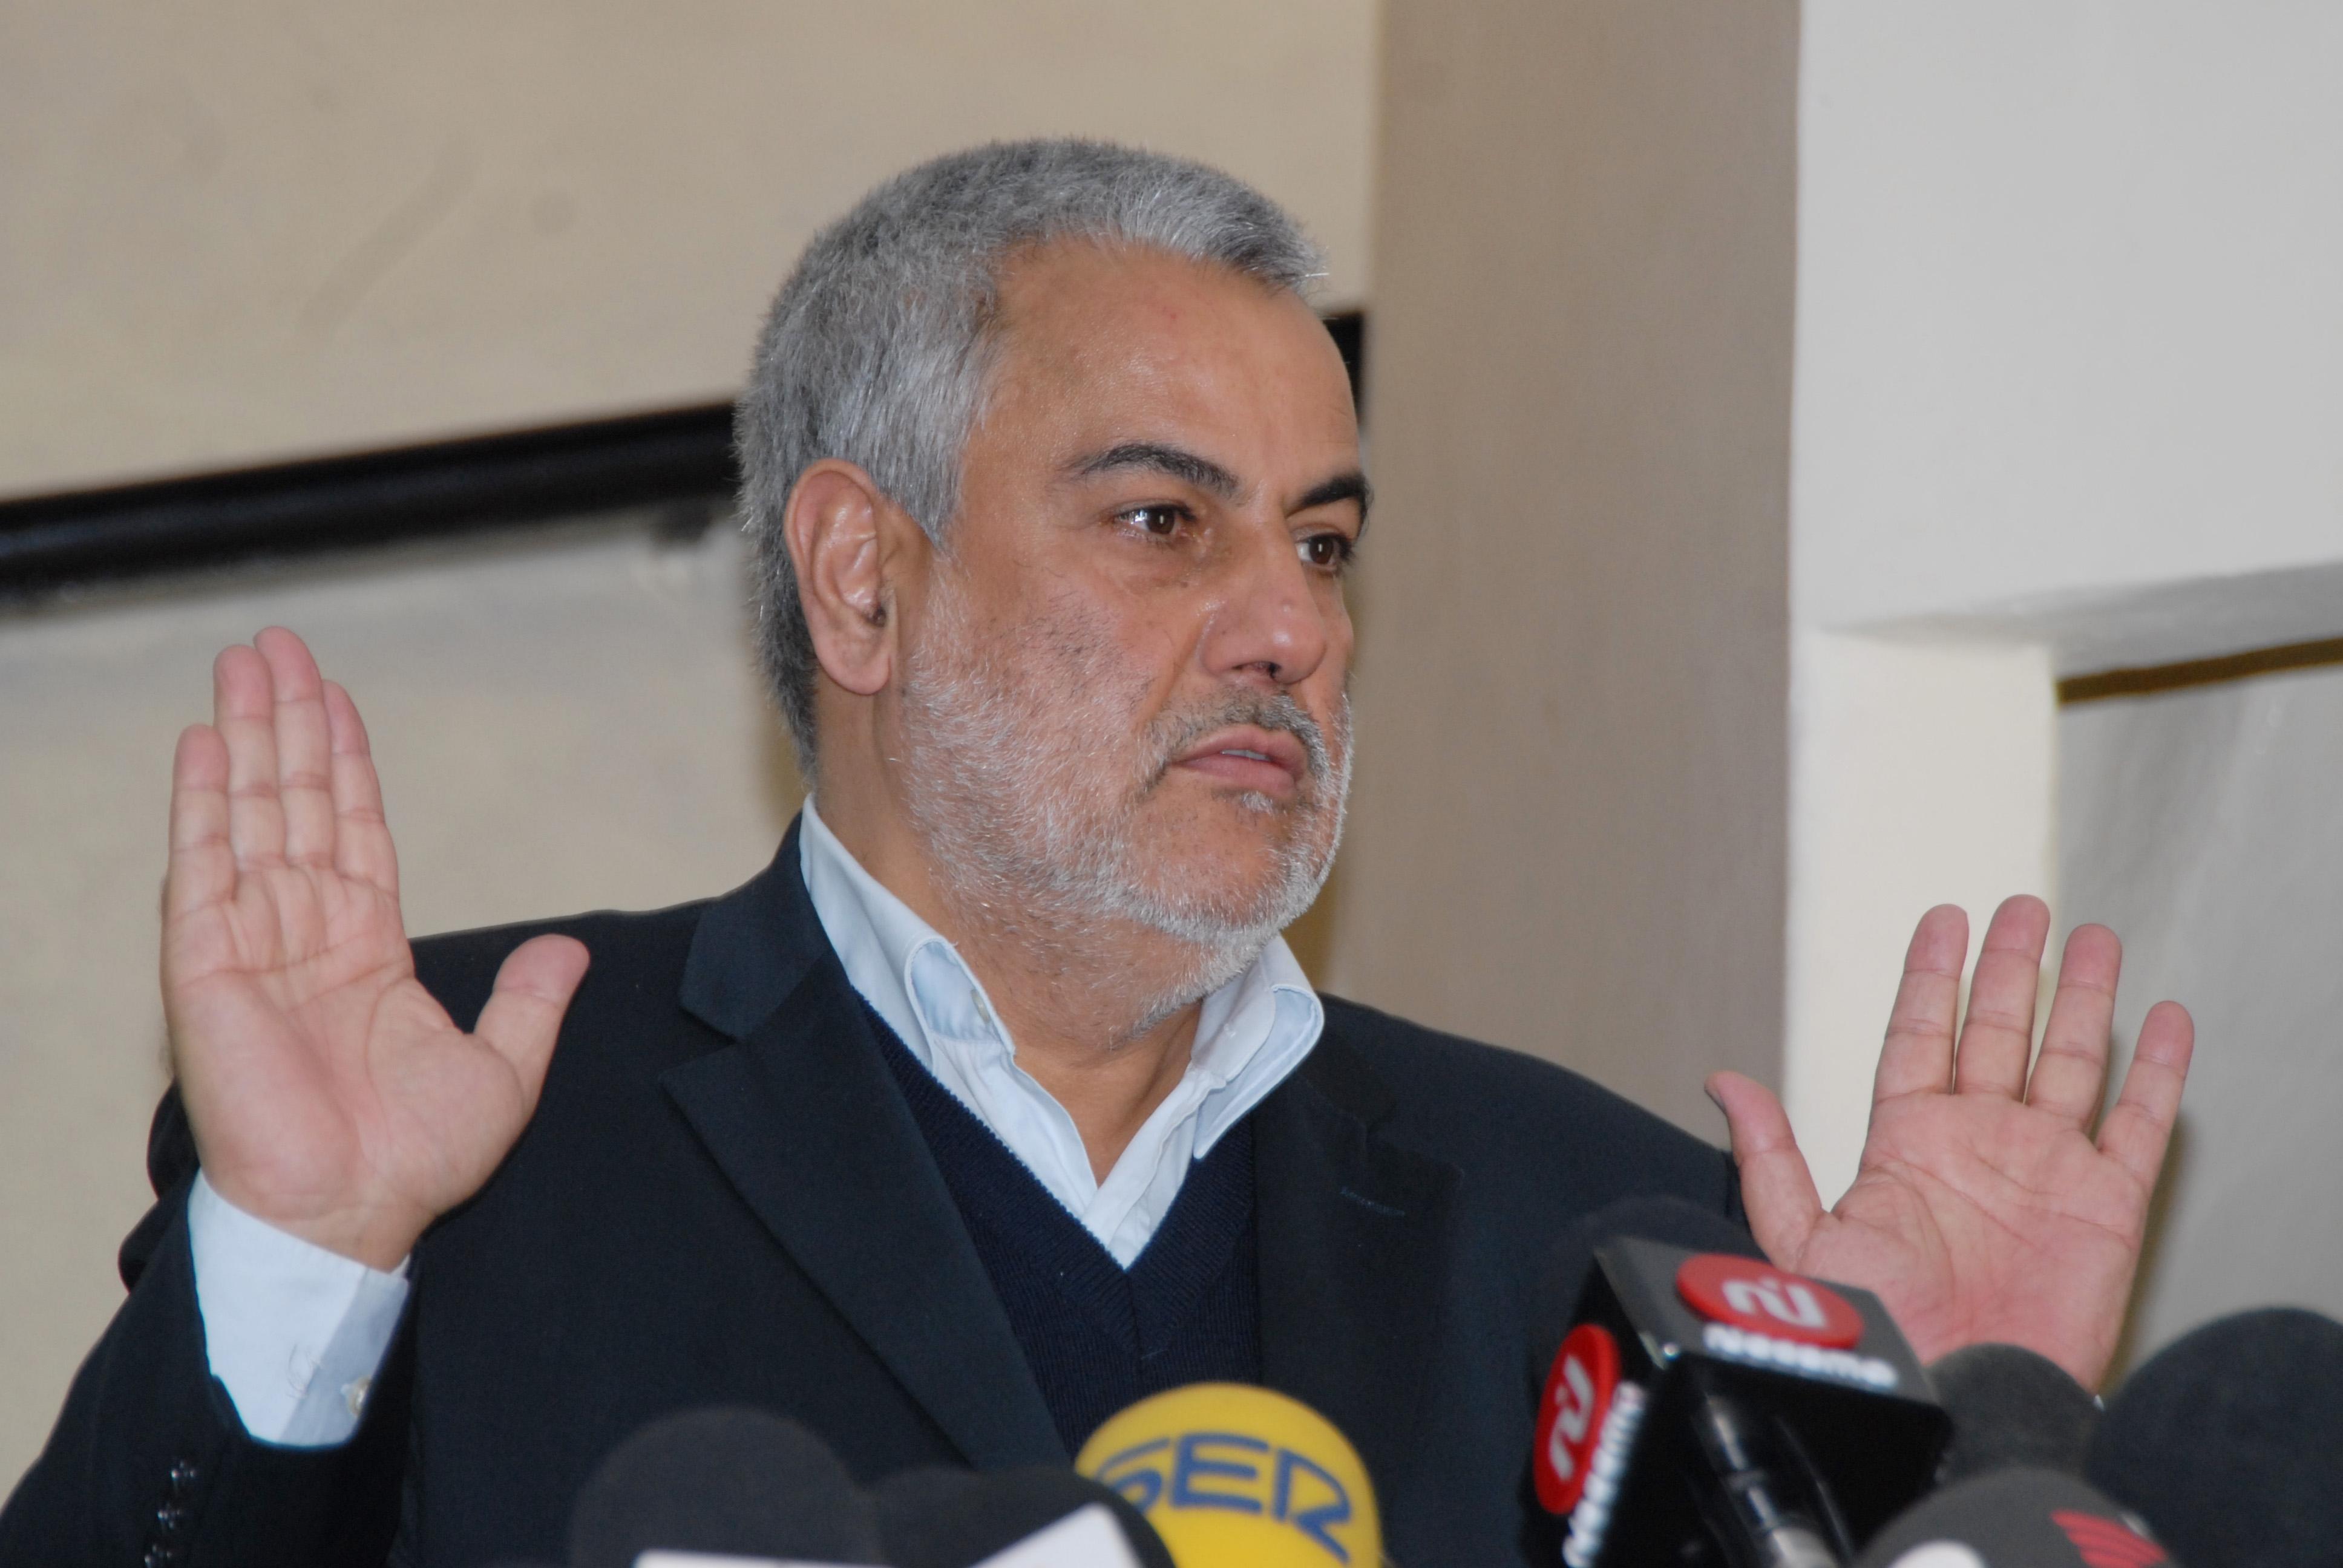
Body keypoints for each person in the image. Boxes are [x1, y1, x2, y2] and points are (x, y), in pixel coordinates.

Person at [0, 140, 2195, 1568]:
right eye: (1165, 521)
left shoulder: (1607, 1243)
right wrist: (301, 1267)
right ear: (862, 579)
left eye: (1322, 542)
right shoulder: (475, 1133)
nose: (1291, 627)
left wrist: (1940, 1452)